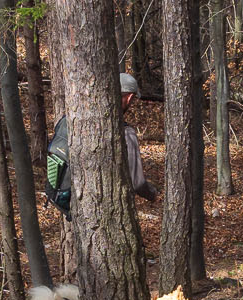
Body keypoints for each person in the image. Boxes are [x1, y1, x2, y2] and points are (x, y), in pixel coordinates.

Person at [43, 72, 159, 216]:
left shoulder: (72, 119)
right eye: (133, 98)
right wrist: (153, 194)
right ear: (129, 97)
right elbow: (138, 183)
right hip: (103, 212)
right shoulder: (125, 132)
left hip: (64, 196)